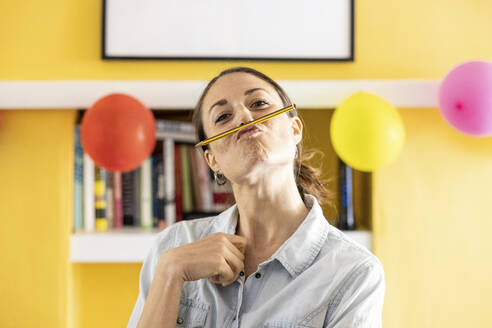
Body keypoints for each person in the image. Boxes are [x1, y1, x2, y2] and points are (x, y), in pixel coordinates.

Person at [127, 67, 385, 328]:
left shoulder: (354, 272)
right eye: (223, 116)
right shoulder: (173, 247)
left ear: (295, 129)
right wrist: (171, 271)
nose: (244, 117)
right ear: (212, 159)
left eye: (259, 103)